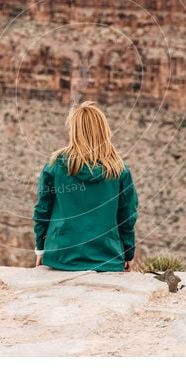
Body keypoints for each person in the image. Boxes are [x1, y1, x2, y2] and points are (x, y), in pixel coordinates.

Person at [32, 101, 138, 272]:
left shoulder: (56, 165)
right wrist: (128, 254)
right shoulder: (119, 170)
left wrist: (40, 248)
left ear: (74, 131)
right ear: (104, 131)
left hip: (60, 258)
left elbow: (42, 210)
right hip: (107, 259)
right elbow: (127, 217)